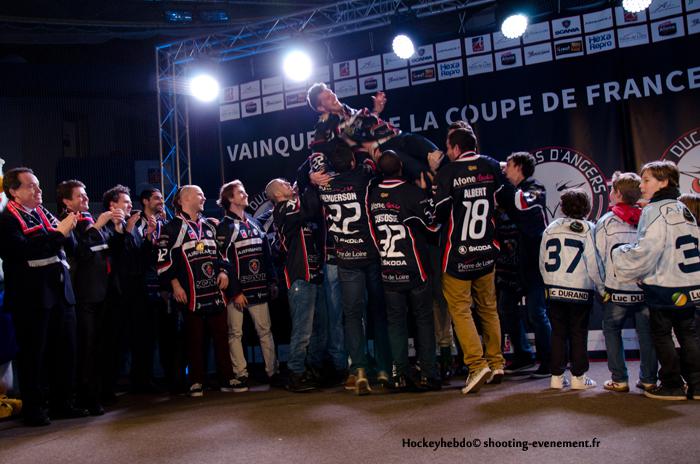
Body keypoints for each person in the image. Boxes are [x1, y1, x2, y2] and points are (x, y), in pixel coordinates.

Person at [0, 167, 87, 426]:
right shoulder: (7, 220)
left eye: (38, 185)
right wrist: (58, 233)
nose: (38, 190)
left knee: (65, 351)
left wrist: (67, 230)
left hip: (60, 293)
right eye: (31, 186)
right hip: (31, 297)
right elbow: (22, 251)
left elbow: (70, 248)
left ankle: (63, 403)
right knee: (33, 355)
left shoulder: (43, 213)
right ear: (13, 191)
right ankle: (34, 408)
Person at [431, 127, 511, 394]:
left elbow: (439, 214)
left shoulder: (447, 172)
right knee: (488, 308)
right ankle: (496, 362)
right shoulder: (491, 165)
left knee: (461, 310)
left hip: (458, 255)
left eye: (448, 147)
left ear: (455, 148)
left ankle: (477, 366)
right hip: (486, 250)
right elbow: (505, 199)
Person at [612, 161, 700, 400]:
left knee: (661, 334)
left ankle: (672, 385)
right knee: (688, 334)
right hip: (690, 283)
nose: (641, 186)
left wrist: (620, 254)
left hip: (665, 286)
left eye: (646, 180)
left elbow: (647, 250)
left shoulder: (654, 210)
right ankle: (697, 385)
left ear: (664, 182)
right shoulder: (683, 208)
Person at [313, 142, 391, 395]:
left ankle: (358, 370)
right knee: (378, 313)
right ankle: (384, 369)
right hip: (370, 256)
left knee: (352, 316)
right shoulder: (363, 177)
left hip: (345, 259)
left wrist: (313, 176)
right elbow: (374, 164)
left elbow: (312, 168)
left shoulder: (324, 186)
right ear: (352, 162)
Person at [367, 151, 440, 391]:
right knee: (423, 320)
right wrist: (427, 195)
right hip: (415, 268)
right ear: (400, 166)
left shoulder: (373, 195)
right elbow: (433, 226)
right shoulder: (412, 192)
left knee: (396, 323)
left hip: (389, 269)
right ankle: (428, 374)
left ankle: (399, 375)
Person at [156, 185, 234, 397]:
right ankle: (196, 381)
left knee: (221, 336)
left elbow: (222, 254)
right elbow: (162, 261)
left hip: (214, 292)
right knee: (194, 339)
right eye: (200, 194)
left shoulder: (209, 225)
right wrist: (175, 285)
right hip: (189, 294)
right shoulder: (171, 228)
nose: (204, 197)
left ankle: (227, 378)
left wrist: (223, 272)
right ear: (185, 199)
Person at [595, 172, 657, 393]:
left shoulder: (605, 221)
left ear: (618, 194)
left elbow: (598, 257)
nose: (610, 194)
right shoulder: (648, 219)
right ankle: (649, 379)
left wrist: (602, 287)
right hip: (644, 288)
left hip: (616, 288)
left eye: (612, 190)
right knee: (647, 334)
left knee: (612, 330)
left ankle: (619, 380)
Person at [216, 180, 280, 392]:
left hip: (259, 287)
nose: (245, 195)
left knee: (265, 331)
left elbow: (266, 255)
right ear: (230, 199)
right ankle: (241, 374)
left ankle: (273, 372)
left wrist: (272, 280)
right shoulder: (224, 227)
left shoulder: (254, 222)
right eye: (241, 193)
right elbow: (223, 262)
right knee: (235, 333)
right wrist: (235, 292)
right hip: (237, 293)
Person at [306, 83, 444, 181]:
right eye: (328, 98)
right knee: (422, 173)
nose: (333, 97)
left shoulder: (352, 111)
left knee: (436, 155)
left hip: (398, 138)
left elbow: (366, 126)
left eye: (332, 93)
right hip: (385, 152)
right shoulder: (324, 127)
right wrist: (313, 174)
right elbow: (317, 153)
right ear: (321, 108)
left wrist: (377, 110)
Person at [56, 180, 113, 415]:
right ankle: (85, 398)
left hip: (101, 292)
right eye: (80, 196)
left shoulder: (89, 219)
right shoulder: (66, 223)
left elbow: (107, 249)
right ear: (67, 202)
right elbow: (78, 253)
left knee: (99, 347)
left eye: (86, 194)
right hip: (83, 296)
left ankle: (98, 393)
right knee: (86, 349)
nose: (86, 199)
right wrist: (95, 228)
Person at [540, 189, 604, 390]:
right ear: (587, 208)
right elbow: (593, 263)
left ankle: (556, 378)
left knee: (558, 333)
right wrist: (602, 288)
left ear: (563, 207)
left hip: (554, 289)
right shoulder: (589, 229)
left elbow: (542, 260)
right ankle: (578, 377)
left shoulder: (551, 227)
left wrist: (549, 283)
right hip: (580, 289)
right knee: (578, 333)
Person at [267, 178, 325, 392]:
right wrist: (309, 183)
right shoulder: (283, 209)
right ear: (277, 194)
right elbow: (310, 208)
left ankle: (312, 368)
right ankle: (295, 372)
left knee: (318, 329)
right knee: (303, 329)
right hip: (299, 276)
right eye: (284, 184)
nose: (289, 185)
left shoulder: (294, 205)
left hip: (314, 274)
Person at [502, 151, 551, 377]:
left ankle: (549, 361)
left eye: (509, 165)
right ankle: (523, 355)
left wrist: (503, 188)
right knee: (506, 308)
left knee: (536, 313)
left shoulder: (535, 188)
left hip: (533, 262)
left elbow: (522, 203)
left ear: (519, 167)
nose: (505, 170)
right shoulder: (507, 190)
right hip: (511, 263)